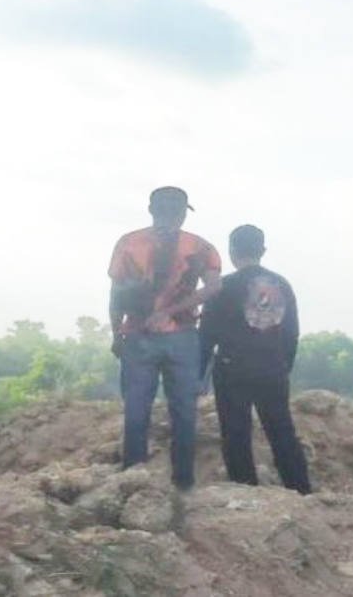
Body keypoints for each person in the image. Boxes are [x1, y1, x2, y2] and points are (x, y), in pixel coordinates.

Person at [108, 186, 222, 491]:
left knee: (136, 410)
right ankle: (183, 483)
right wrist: (173, 309)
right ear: (184, 212)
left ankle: (133, 482)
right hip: (183, 336)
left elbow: (116, 293)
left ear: (151, 209)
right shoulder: (201, 247)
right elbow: (213, 288)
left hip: (137, 333)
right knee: (184, 411)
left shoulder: (128, 243)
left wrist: (115, 331)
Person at [199, 224, 311, 494]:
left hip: (232, 370)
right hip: (272, 369)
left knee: (236, 434)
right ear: (262, 250)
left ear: (232, 252)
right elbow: (291, 332)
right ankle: (301, 491)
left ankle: (246, 491)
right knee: (282, 432)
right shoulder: (281, 285)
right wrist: (284, 367)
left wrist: (197, 374)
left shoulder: (222, 287)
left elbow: (206, 335)